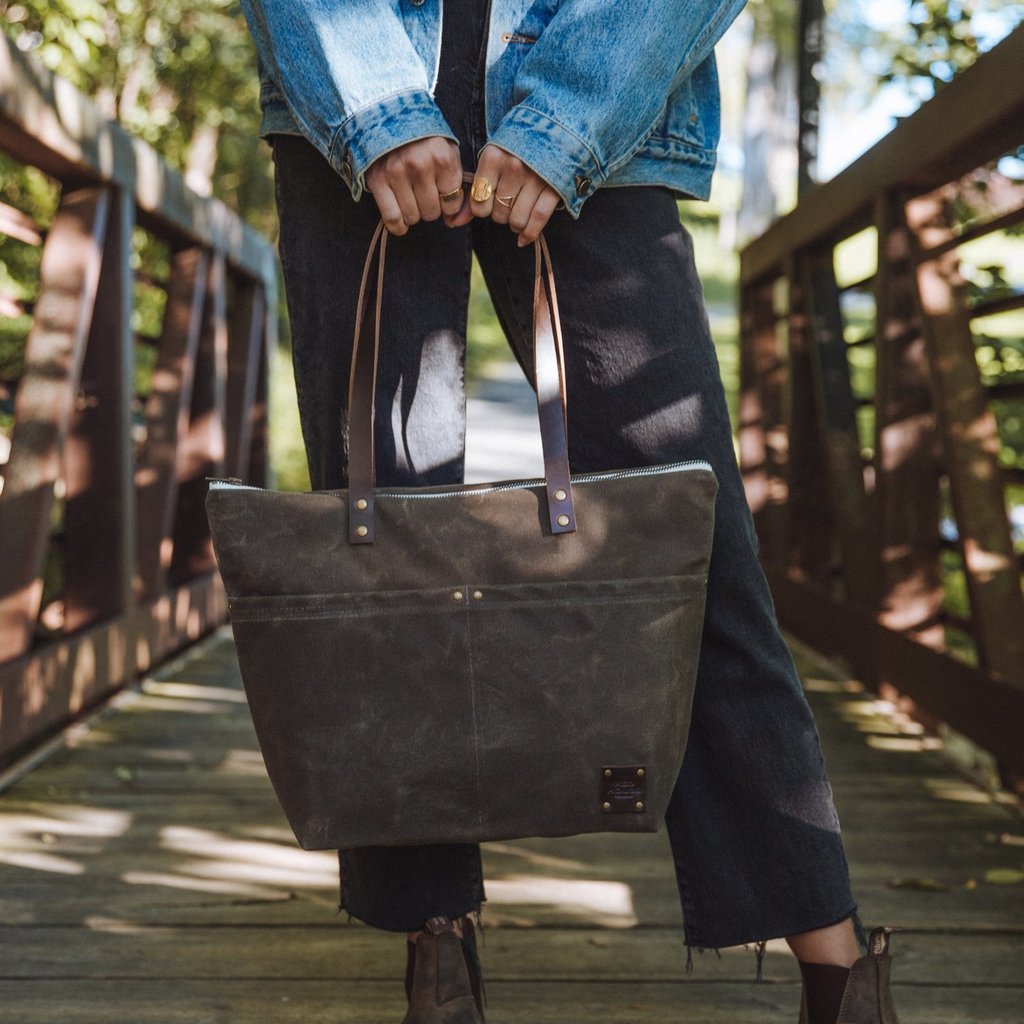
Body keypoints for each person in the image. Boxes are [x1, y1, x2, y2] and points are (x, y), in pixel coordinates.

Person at [236, 2, 901, 1022]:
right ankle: (436, 947)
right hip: (352, 71)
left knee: (687, 536)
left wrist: (569, 121)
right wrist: (369, 104)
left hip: (605, 77)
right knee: (382, 554)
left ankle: (833, 959)